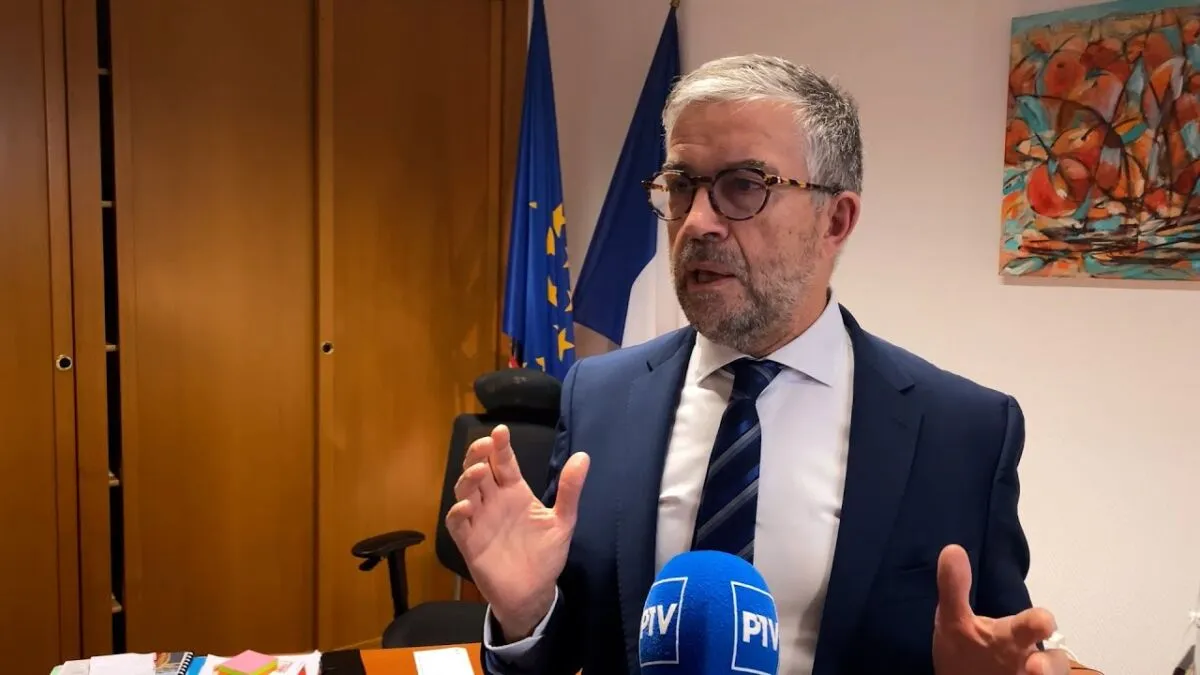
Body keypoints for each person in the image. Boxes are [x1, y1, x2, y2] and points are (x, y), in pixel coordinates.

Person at [446, 54, 1070, 675]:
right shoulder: (599, 397)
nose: (697, 222)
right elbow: (567, 649)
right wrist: (525, 616)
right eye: (681, 185)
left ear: (836, 220)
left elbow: (997, 643)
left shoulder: (963, 432)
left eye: (744, 186)